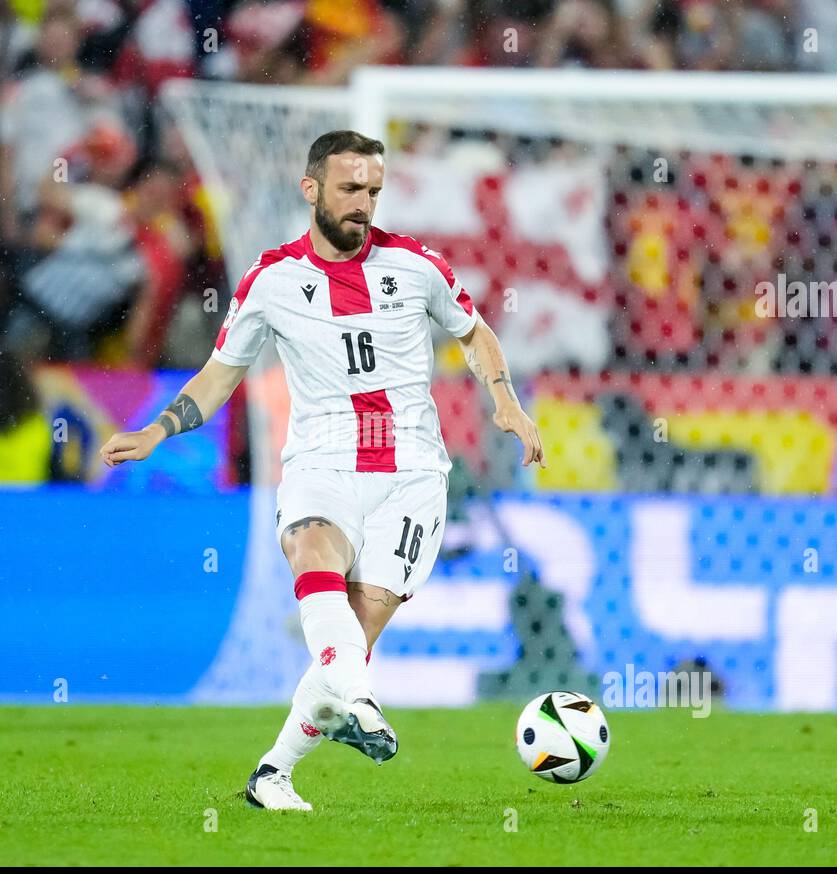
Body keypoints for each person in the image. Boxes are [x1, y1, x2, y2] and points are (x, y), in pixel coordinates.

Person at [100, 130, 544, 810]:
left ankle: (271, 776)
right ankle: (362, 703)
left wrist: (506, 402)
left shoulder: (418, 266)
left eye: (372, 190)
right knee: (313, 548)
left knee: (349, 641)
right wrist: (158, 430)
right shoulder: (272, 280)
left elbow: (474, 330)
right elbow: (222, 374)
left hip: (413, 472)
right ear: (311, 190)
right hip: (322, 455)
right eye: (349, 189)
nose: (363, 203)